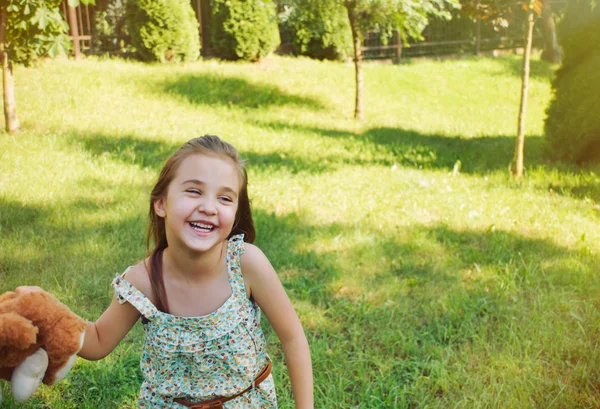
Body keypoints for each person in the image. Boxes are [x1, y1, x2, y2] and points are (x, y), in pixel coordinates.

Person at [21, 135, 313, 408]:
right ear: (161, 203)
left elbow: (292, 337)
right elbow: (97, 341)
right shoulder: (143, 281)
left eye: (225, 198)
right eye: (194, 191)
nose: (209, 207)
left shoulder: (245, 263)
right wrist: (47, 313)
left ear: (236, 211)